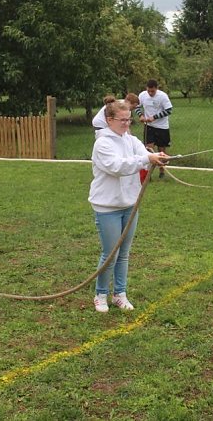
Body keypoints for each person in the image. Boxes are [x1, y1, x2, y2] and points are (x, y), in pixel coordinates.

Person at [88, 99, 169, 312]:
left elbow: (142, 155)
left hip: (130, 204)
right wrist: (147, 159)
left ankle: (120, 294)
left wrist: (156, 157)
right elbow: (117, 167)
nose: (126, 124)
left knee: (124, 252)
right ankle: (101, 295)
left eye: (129, 119)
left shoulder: (130, 139)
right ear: (109, 120)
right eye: (122, 120)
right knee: (110, 253)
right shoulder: (102, 143)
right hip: (107, 206)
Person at [138, 79, 173, 178]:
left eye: (152, 91)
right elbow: (137, 106)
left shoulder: (162, 96)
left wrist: (154, 117)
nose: (150, 93)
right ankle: (148, 174)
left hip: (162, 127)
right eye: (148, 91)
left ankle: (162, 171)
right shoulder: (142, 95)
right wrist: (141, 115)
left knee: (161, 150)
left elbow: (169, 110)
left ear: (156, 89)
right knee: (148, 149)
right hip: (149, 127)